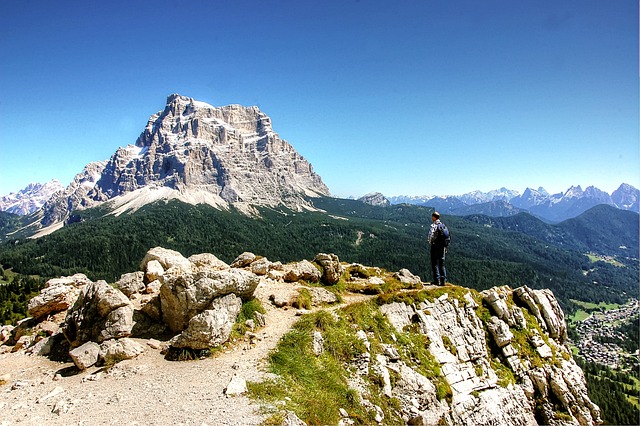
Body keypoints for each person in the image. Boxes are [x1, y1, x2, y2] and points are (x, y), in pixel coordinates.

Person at [428, 211, 448, 286]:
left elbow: (430, 236)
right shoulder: (443, 225)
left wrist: (431, 242)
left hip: (435, 247)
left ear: (434, 217)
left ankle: (437, 280)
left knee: (435, 263)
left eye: (432, 216)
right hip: (442, 247)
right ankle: (443, 281)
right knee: (442, 264)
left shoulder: (434, 225)